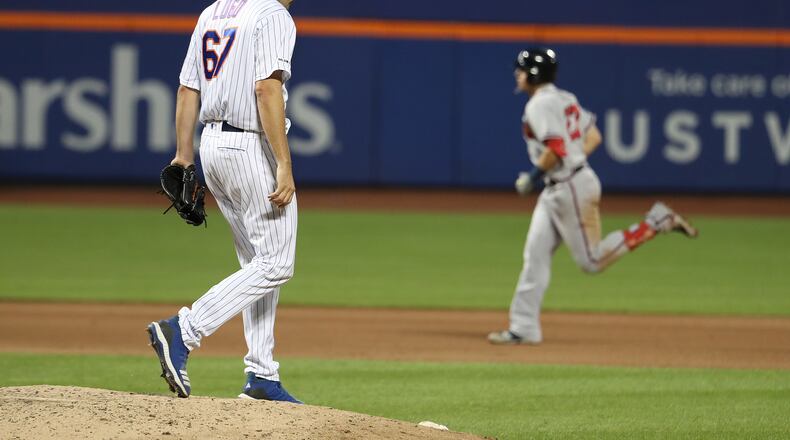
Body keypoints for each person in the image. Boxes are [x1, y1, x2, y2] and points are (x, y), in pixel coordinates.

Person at [146, 0, 302, 402]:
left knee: (256, 262)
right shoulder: (274, 15)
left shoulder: (213, 11)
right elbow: (267, 88)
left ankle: (262, 376)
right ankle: (183, 330)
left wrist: (183, 154)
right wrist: (283, 163)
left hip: (212, 145)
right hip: (250, 146)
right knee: (277, 263)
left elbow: (187, 87)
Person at [488, 48, 698, 345]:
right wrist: (572, 160)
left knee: (592, 262)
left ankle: (656, 221)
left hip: (571, 187)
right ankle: (523, 328)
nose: (517, 74)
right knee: (534, 256)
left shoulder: (538, 106)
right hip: (564, 185)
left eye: (521, 70)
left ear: (533, 75)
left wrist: (532, 177)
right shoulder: (565, 97)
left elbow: (557, 149)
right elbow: (593, 137)